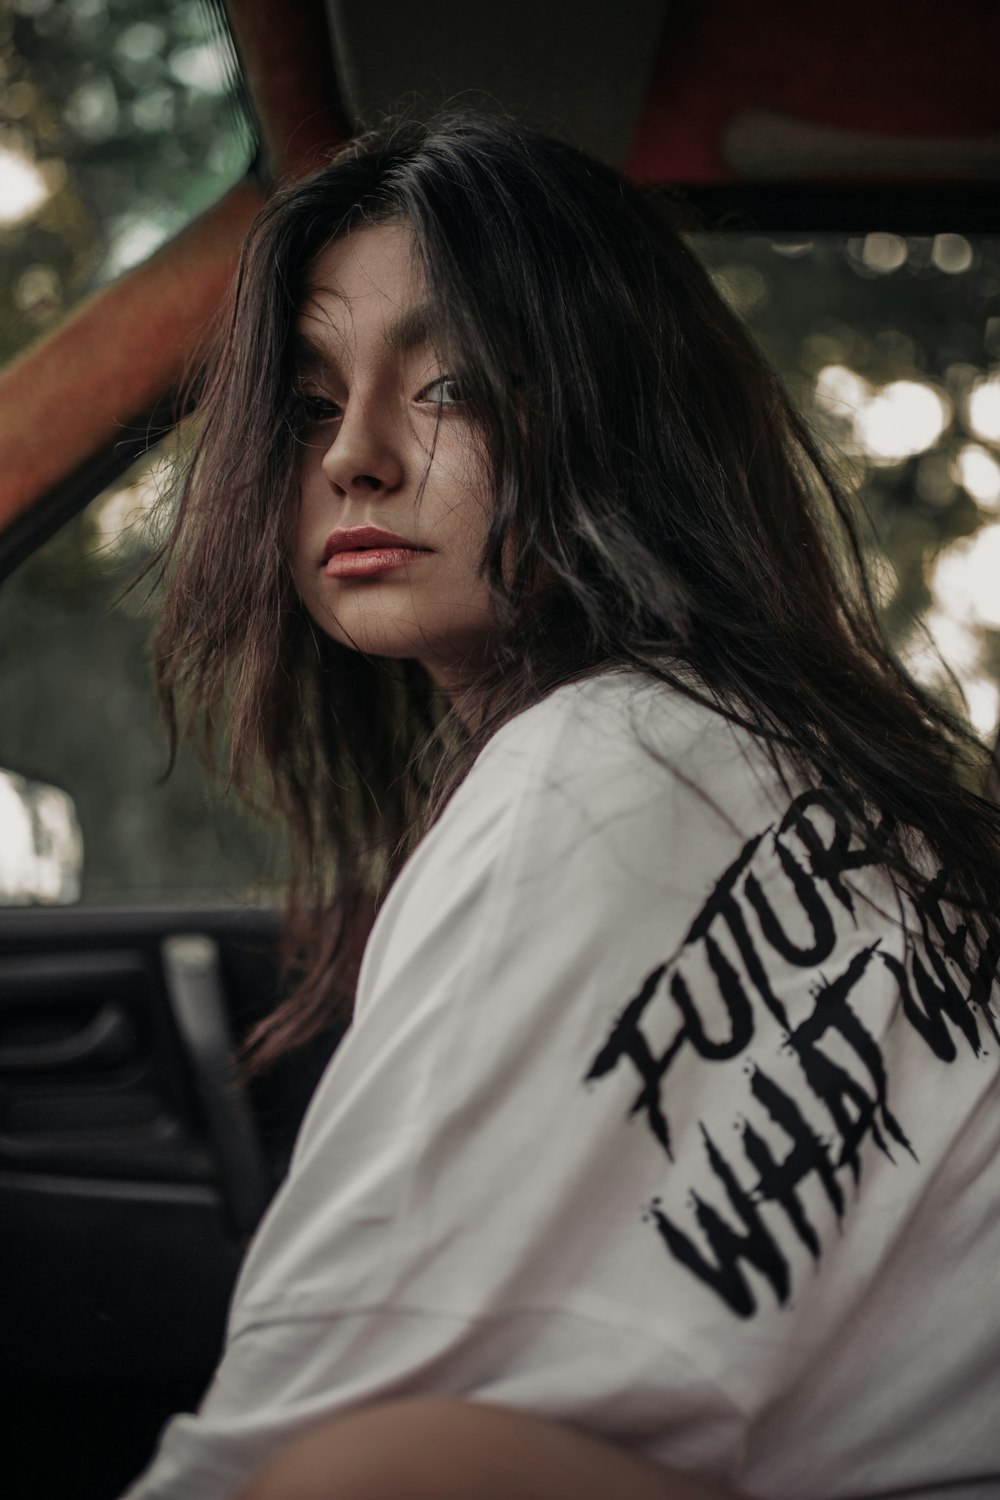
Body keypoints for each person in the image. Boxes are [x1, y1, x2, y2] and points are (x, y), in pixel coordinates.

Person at [121, 114, 1000, 1500]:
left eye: (451, 384)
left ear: (620, 408)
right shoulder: (743, 748)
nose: (353, 453)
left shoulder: (621, 767)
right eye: (306, 403)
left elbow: (300, 1438)